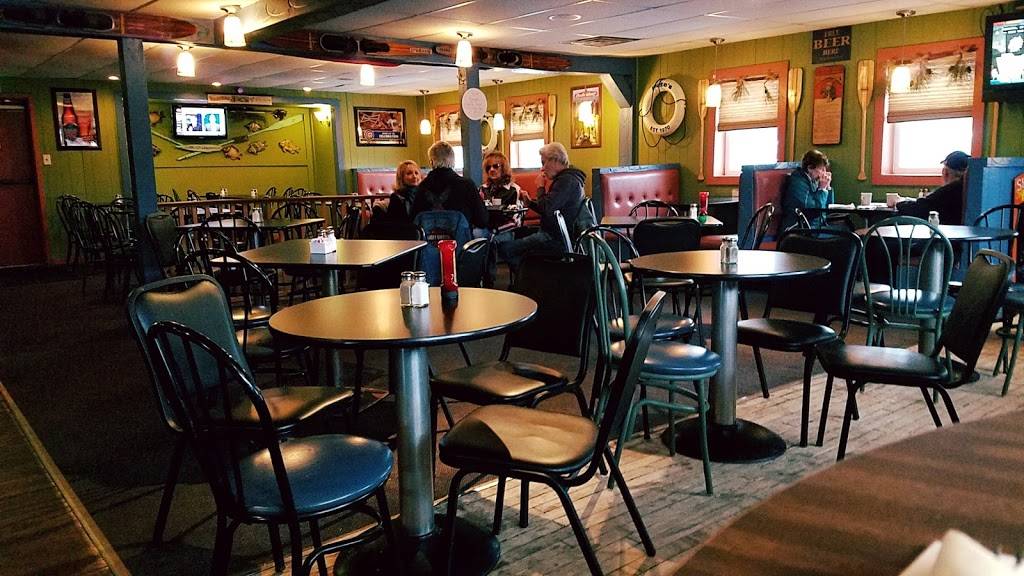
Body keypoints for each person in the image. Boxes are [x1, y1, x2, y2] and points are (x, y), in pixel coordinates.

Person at [497, 142, 586, 271]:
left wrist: (540, 187)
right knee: (519, 235)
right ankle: (534, 275)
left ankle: (533, 279)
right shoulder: (570, 179)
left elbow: (547, 209)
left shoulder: (566, 181)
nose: (542, 168)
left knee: (505, 249)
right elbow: (550, 207)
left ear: (555, 160)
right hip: (554, 234)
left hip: (555, 239)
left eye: (544, 163)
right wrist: (530, 203)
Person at [411, 141, 488, 235]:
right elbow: (482, 221)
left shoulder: (421, 188)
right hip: (460, 243)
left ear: (431, 161)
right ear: (453, 160)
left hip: (428, 243)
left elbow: (413, 222)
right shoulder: (466, 185)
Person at [895, 151, 968, 225]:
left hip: (944, 231)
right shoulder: (968, 191)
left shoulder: (947, 191)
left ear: (946, 172)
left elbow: (919, 208)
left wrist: (898, 203)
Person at [781, 149, 834, 231]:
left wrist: (827, 187)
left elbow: (829, 209)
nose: (824, 173)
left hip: (816, 226)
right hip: (799, 230)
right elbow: (812, 211)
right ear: (810, 168)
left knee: (846, 229)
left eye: (825, 169)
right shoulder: (798, 182)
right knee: (846, 235)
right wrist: (822, 189)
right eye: (821, 169)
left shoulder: (813, 180)